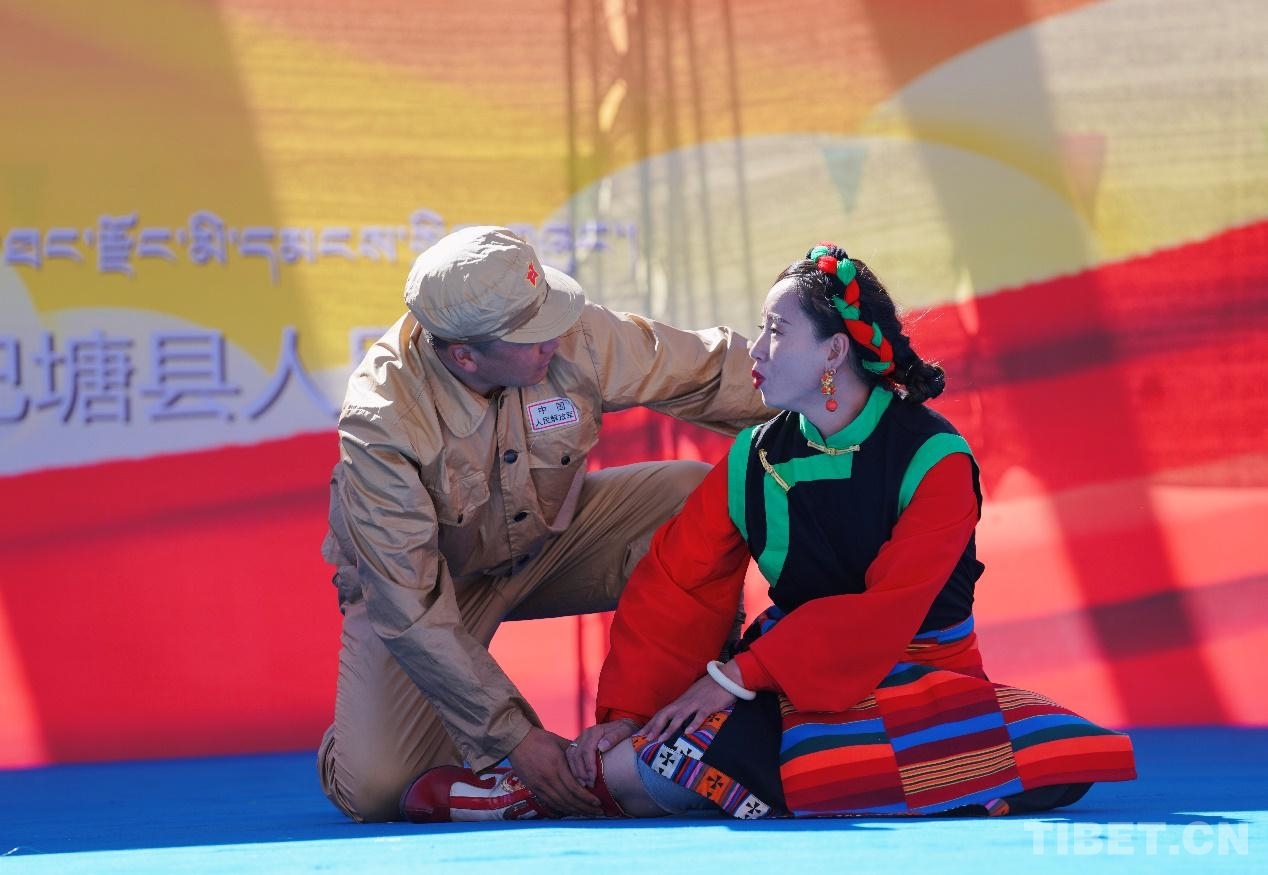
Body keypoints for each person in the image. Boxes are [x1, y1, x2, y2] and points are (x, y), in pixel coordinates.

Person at [400, 242, 1137, 821]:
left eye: (776, 331)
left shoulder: (933, 458)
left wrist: (734, 678)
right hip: (789, 681)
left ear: (834, 352)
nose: (755, 349)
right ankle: (555, 784)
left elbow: (885, 614)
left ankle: (579, 786)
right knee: (688, 747)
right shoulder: (755, 456)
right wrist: (630, 713)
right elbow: (676, 586)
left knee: (1060, 759)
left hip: (915, 676)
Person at [318, 226, 773, 822]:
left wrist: (843, 401)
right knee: (376, 787)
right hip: (432, 592)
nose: (556, 337)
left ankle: (683, 720)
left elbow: (705, 371)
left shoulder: (565, 331)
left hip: (548, 545)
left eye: (551, 311)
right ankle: (383, 726)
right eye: (534, 334)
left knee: (687, 496)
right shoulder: (381, 420)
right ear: (465, 356)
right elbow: (410, 605)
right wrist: (515, 738)